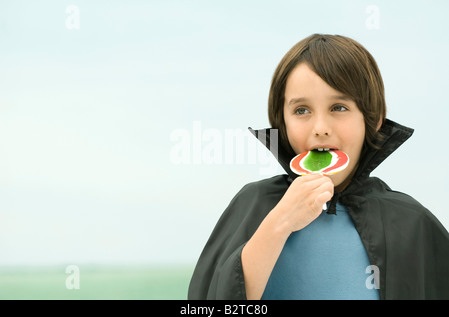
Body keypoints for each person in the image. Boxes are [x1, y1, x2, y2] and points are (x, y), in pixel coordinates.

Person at [188, 33, 449, 300]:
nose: (320, 128)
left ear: (373, 119)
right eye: (301, 110)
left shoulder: (412, 222)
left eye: (338, 107)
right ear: (283, 123)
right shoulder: (252, 203)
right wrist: (281, 222)